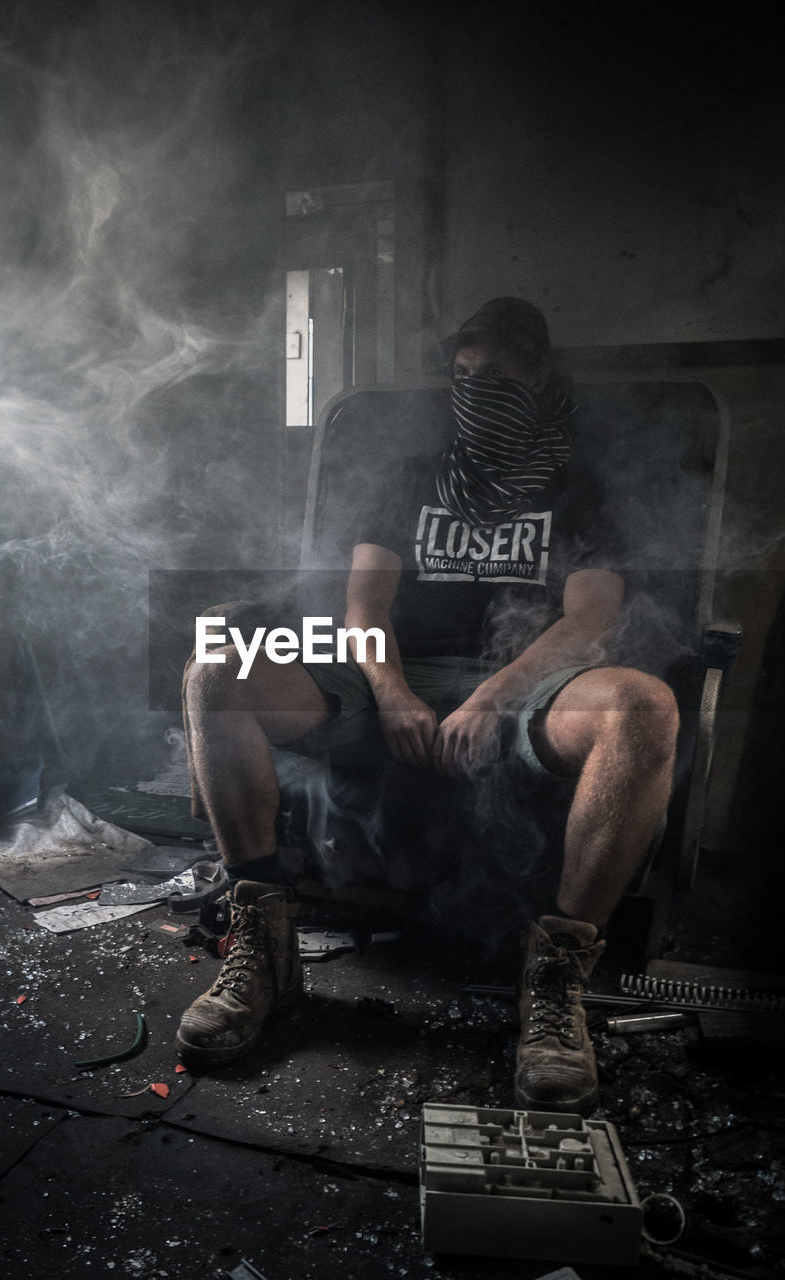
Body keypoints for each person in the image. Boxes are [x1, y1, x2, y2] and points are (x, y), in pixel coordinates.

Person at [176, 297, 679, 1115]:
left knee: (644, 708)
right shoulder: (416, 477)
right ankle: (263, 948)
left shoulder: (579, 486)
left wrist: (491, 695)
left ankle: (554, 988)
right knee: (214, 672)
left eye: (499, 376)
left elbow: (588, 621)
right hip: (390, 673)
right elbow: (363, 614)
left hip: (523, 682)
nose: (477, 391)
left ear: (540, 380)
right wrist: (395, 692)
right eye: (462, 375)